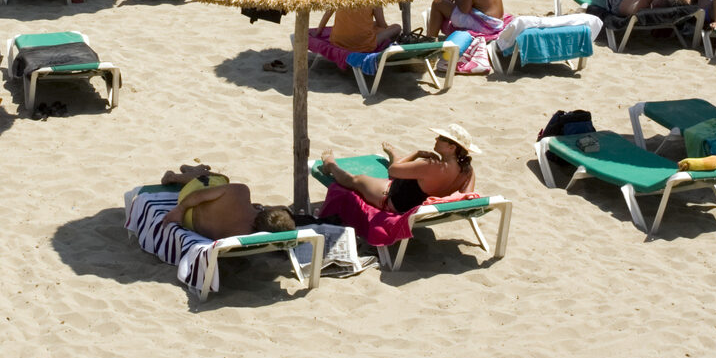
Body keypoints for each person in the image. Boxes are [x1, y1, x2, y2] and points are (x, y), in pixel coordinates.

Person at [317, 126, 478, 213]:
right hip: (421, 207)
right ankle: (394, 154)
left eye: (441, 138)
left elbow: (393, 170)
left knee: (356, 180)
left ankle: (330, 165)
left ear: (451, 147)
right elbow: (467, 198)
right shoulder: (467, 171)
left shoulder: (429, 165)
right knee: (407, 175)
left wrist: (417, 153)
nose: (436, 138)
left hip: (394, 202)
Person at [156, 165, 296, 239]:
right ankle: (193, 171)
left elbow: (198, 195)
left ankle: (174, 177)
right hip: (190, 223)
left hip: (187, 203)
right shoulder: (242, 235)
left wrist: (180, 209)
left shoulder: (240, 192)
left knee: (221, 179)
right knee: (216, 185)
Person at [320, 4, 399, 55]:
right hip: (362, 44)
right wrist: (385, 28)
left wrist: (318, 33)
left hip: (338, 41)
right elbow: (382, 24)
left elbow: (326, 15)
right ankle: (385, 49)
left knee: (372, 24)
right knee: (397, 27)